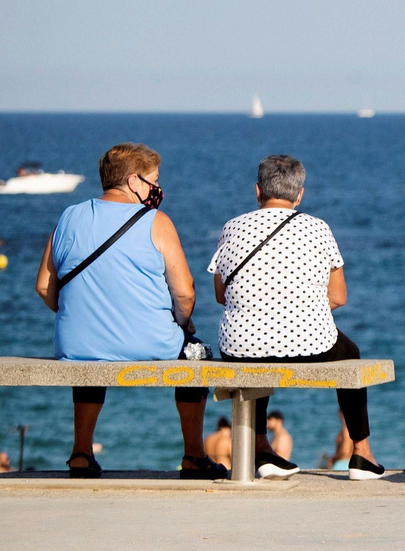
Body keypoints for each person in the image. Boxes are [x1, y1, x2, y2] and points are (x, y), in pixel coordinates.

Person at [33, 143, 224, 480]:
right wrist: (182, 324)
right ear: (134, 181)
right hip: (152, 343)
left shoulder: (69, 217)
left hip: (77, 344)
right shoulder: (157, 222)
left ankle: (81, 453)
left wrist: (77, 315)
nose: (157, 189)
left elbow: (43, 287)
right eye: (154, 181)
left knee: (91, 354)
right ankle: (194, 456)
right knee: (197, 354)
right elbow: (185, 292)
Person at [209, 155, 385, 480]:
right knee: (350, 353)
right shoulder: (318, 228)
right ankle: (362, 453)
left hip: (239, 344)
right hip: (312, 344)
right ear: (299, 195)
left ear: (258, 191)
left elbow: (222, 295)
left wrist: (268, 310)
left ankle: (261, 448)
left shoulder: (231, 227)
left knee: (255, 349)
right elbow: (339, 297)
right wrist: (298, 311)